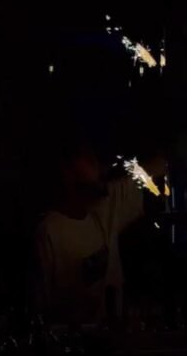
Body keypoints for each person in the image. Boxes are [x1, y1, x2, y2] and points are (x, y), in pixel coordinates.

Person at [35, 138, 164, 325]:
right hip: (72, 341)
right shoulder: (49, 232)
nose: (97, 165)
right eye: (87, 159)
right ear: (67, 172)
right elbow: (40, 309)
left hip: (115, 336)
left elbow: (157, 167)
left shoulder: (105, 208)